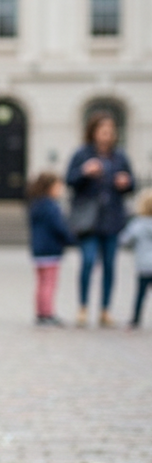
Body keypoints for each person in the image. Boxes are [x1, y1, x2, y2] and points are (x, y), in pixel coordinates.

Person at [65, 112, 134, 327]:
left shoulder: (120, 156)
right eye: (103, 131)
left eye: (111, 131)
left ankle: (105, 310)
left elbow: (132, 185)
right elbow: (69, 180)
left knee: (110, 266)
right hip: (89, 220)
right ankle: (83, 307)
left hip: (112, 219)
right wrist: (85, 172)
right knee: (87, 262)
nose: (107, 135)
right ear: (93, 132)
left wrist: (126, 182)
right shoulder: (82, 154)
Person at [26, 172, 73, 326]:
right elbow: (59, 227)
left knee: (41, 283)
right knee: (49, 283)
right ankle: (47, 313)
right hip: (51, 249)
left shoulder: (35, 205)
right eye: (58, 187)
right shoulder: (52, 206)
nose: (60, 190)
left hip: (38, 249)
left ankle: (40, 311)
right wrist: (70, 239)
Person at [119, 189, 152, 329]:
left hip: (144, 265)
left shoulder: (137, 223)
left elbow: (125, 240)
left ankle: (135, 319)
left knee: (140, 294)